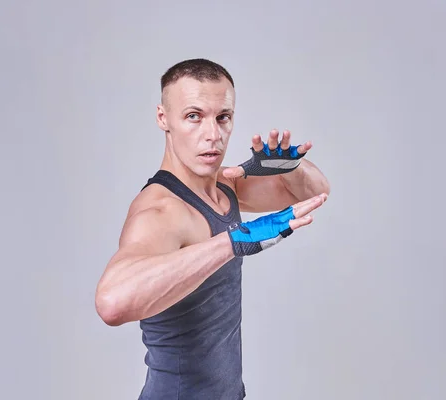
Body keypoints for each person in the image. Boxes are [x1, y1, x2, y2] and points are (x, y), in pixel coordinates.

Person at [94, 58, 331, 399]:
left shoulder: (224, 186)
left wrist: (289, 167)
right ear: (164, 118)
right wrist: (231, 242)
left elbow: (314, 192)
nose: (213, 135)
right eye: (194, 116)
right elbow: (111, 303)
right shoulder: (160, 210)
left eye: (223, 117)